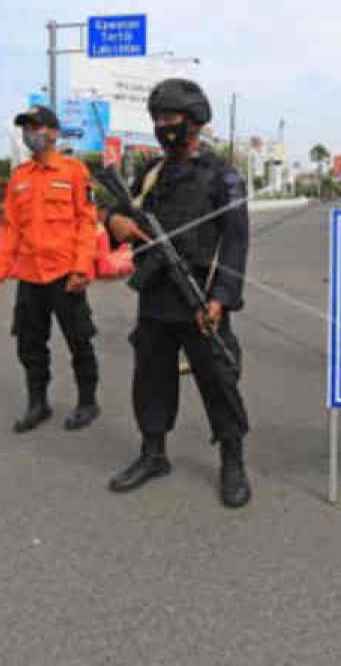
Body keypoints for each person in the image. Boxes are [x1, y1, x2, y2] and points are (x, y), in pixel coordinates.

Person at [103, 78, 252, 508]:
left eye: (171, 118)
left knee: (219, 379)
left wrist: (221, 297)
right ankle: (153, 454)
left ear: (195, 121)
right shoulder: (151, 173)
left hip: (202, 296)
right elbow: (119, 209)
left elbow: (237, 242)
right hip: (155, 294)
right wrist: (114, 223)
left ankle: (233, 461)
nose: (164, 127)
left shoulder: (222, 176)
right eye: (158, 120)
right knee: (150, 377)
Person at [0, 105, 102, 434]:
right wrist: (0, 270)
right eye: (25, 127)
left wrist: (82, 268)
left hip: (66, 274)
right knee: (29, 344)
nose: (29, 133)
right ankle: (38, 403)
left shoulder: (74, 171)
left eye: (36, 127)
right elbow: (12, 229)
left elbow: (87, 222)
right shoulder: (19, 178)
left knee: (80, 340)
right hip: (30, 276)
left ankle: (87, 402)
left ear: (53, 132)